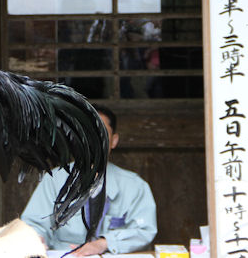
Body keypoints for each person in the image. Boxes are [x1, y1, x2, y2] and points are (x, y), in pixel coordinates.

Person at [21, 105, 157, 256]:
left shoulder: (135, 186)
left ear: (114, 141)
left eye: (101, 133)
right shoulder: (54, 180)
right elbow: (33, 225)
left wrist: (104, 244)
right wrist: (35, 239)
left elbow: (144, 230)